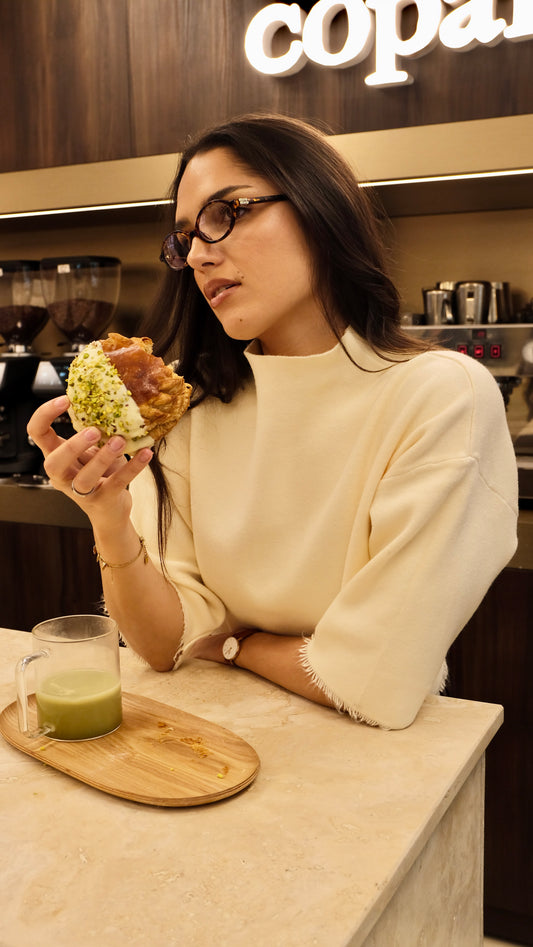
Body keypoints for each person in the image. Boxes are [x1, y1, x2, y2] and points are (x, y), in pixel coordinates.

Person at [28, 113, 518, 730]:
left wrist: (235, 643)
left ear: (319, 207)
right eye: (186, 238)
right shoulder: (193, 405)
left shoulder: (439, 395)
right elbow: (162, 644)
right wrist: (109, 517)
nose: (201, 255)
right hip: (213, 742)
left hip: (372, 769)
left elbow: (374, 680)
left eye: (227, 212)